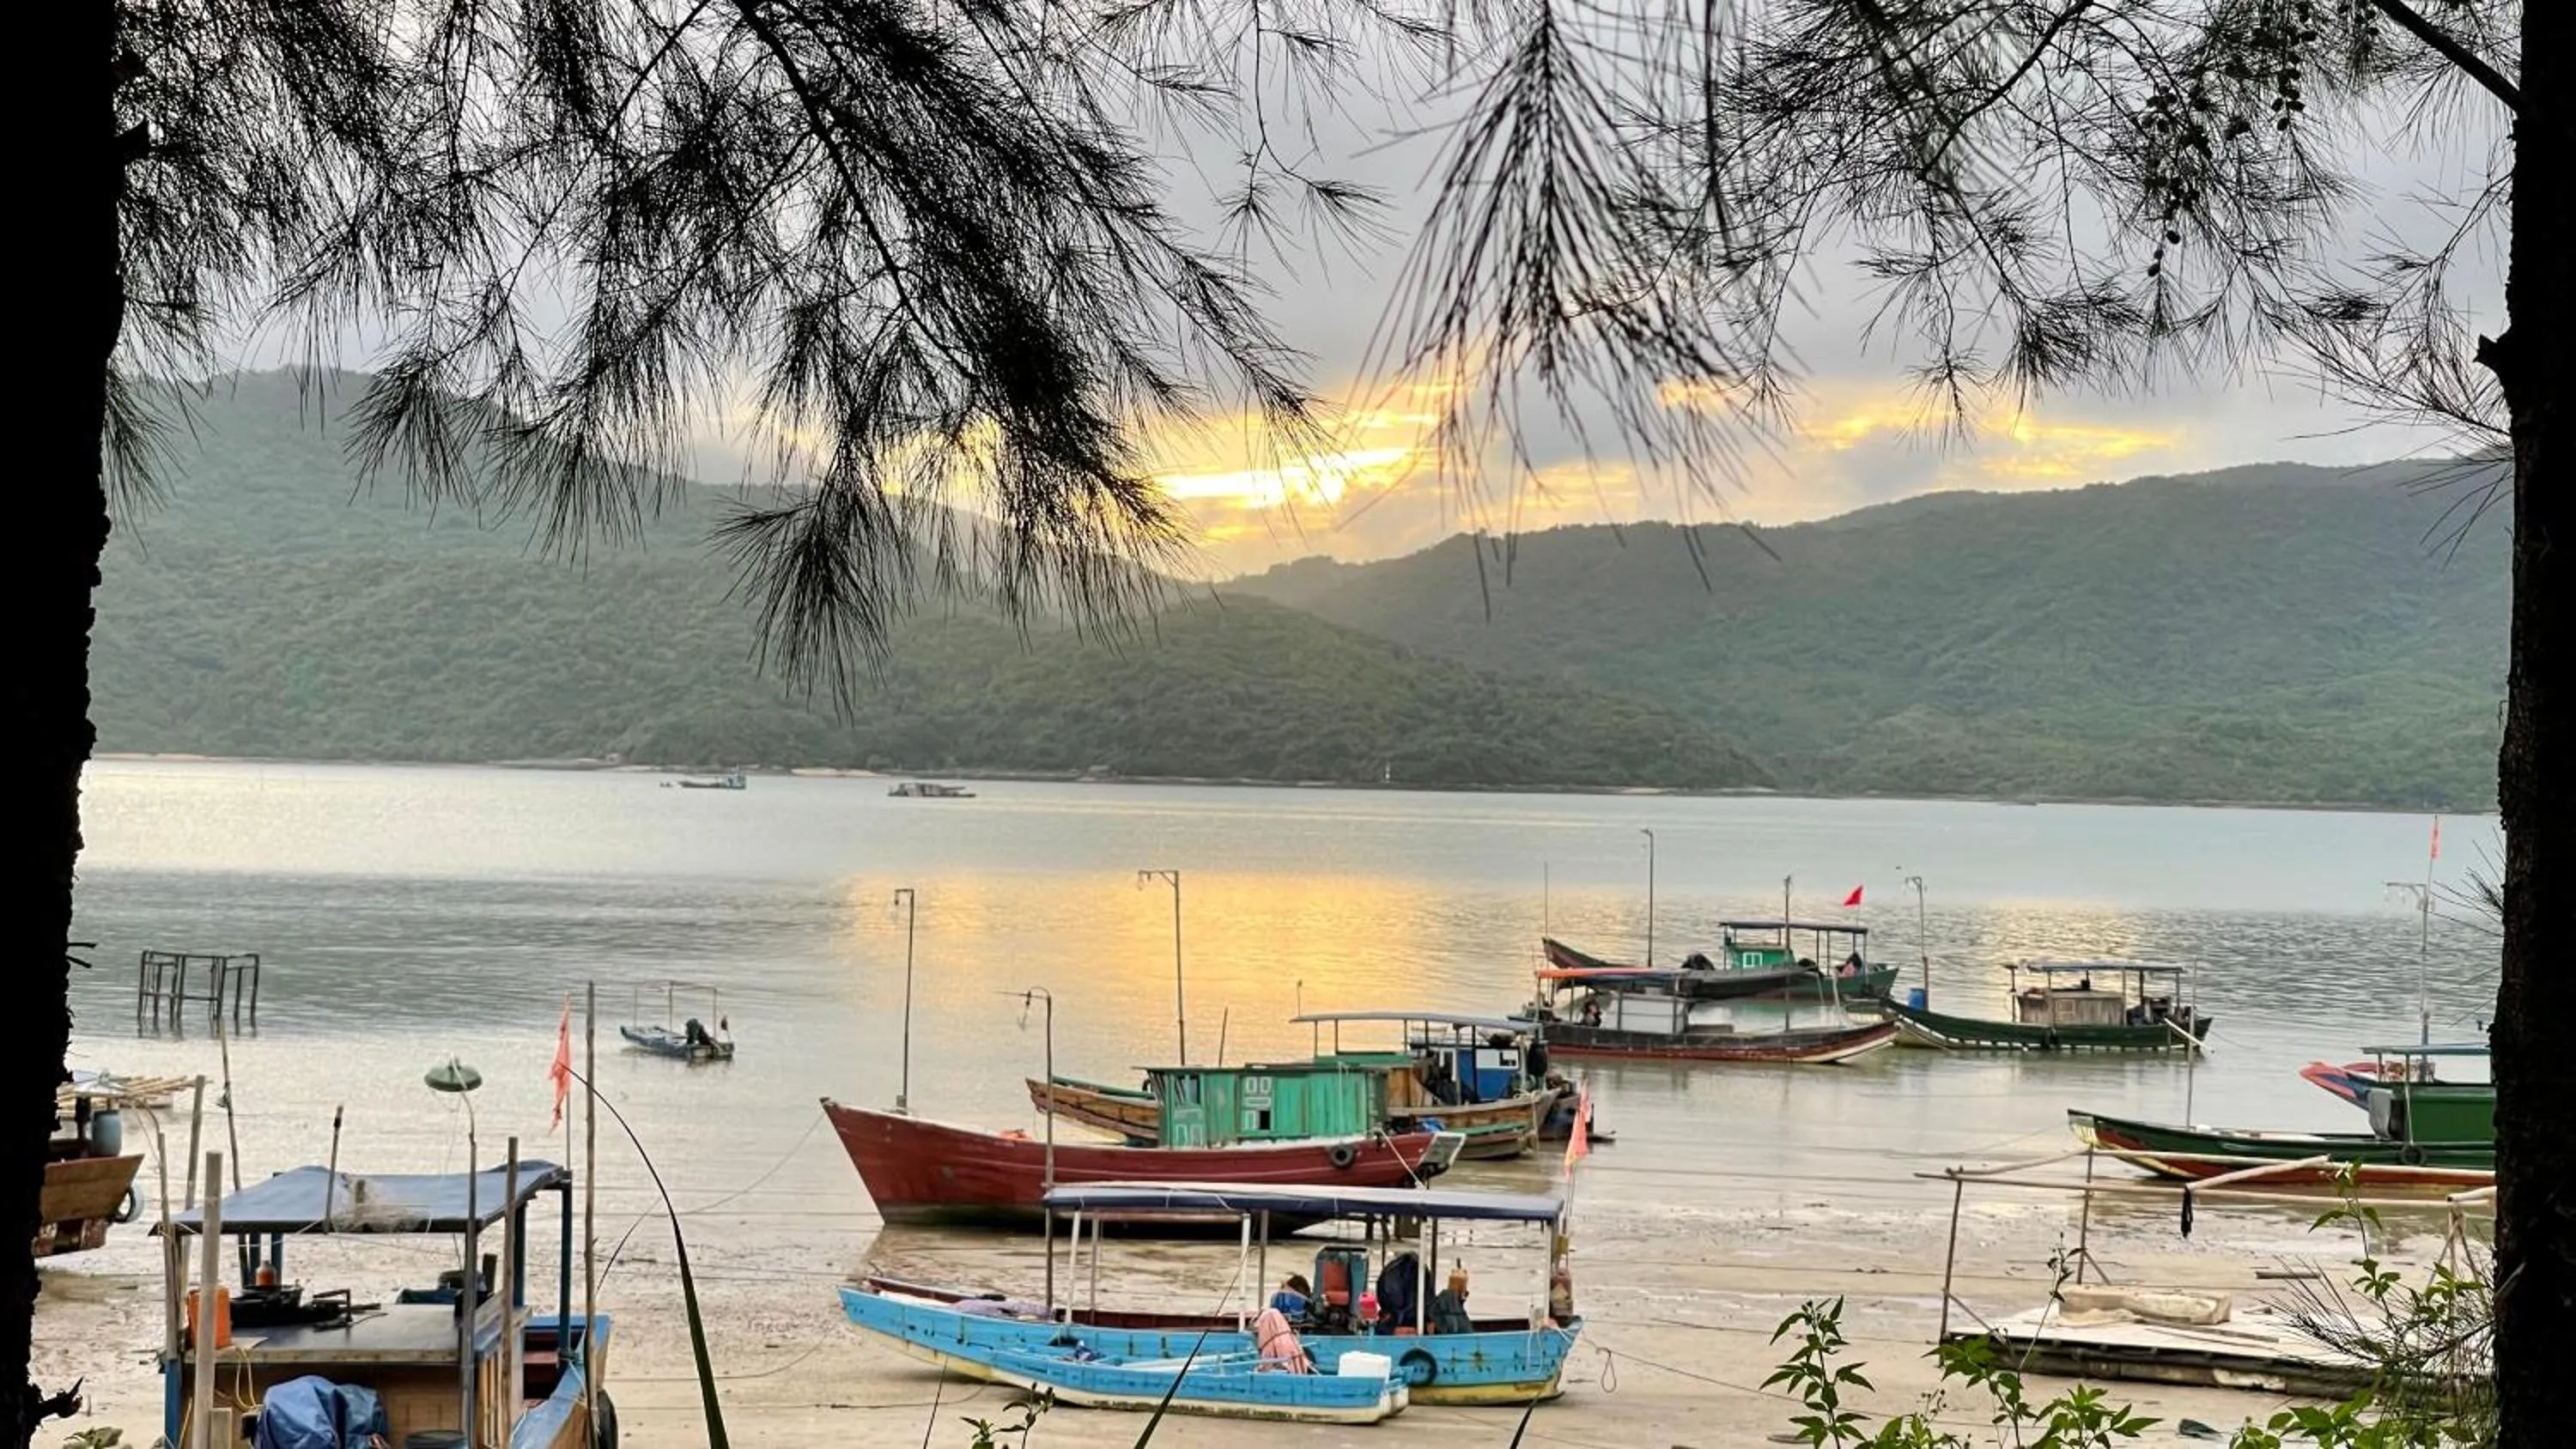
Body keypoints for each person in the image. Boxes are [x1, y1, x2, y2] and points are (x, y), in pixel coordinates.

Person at [1431, 1267, 1473, 1335]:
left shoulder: (1443, 1300)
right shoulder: (1452, 1306)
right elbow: (1459, 1329)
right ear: (1461, 1287)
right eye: (1465, 1286)